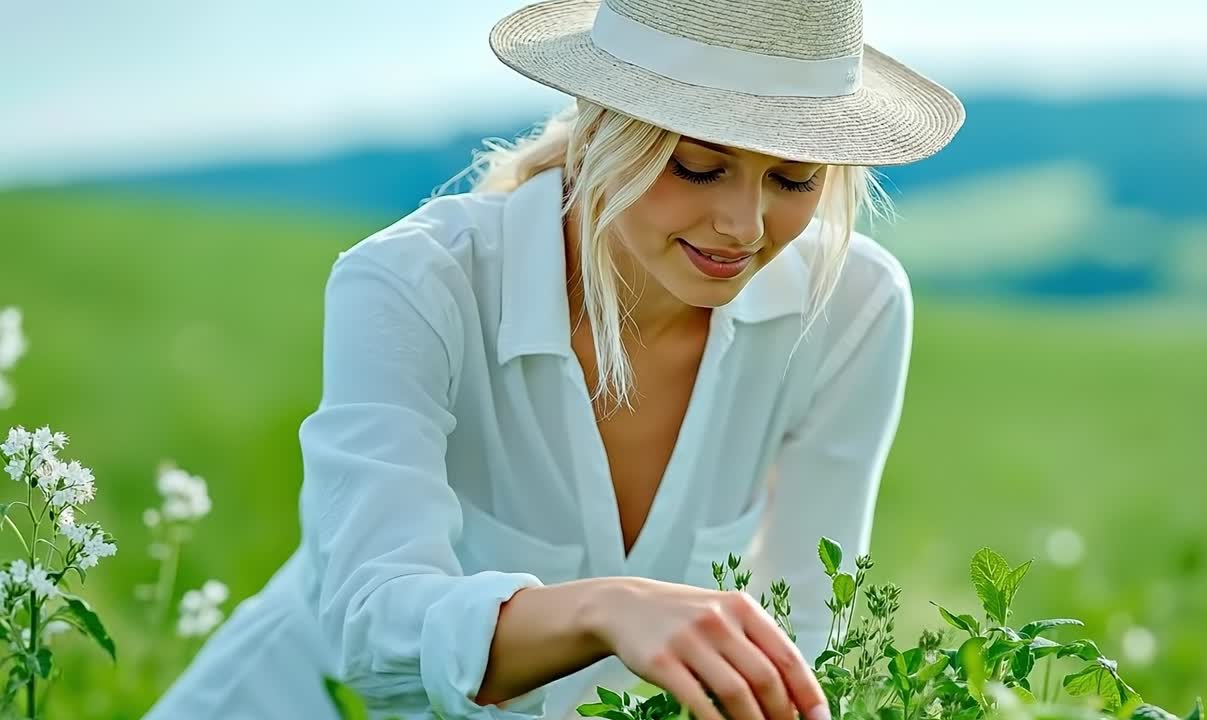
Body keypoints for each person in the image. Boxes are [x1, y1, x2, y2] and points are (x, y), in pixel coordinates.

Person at [143, 0, 964, 718]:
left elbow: (804, 635)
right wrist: (605, 609)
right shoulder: (416, 283)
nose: (744, 225)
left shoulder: (853, 309)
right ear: (604, 126)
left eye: (794, 179)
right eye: (699, 167)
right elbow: (372, 633)